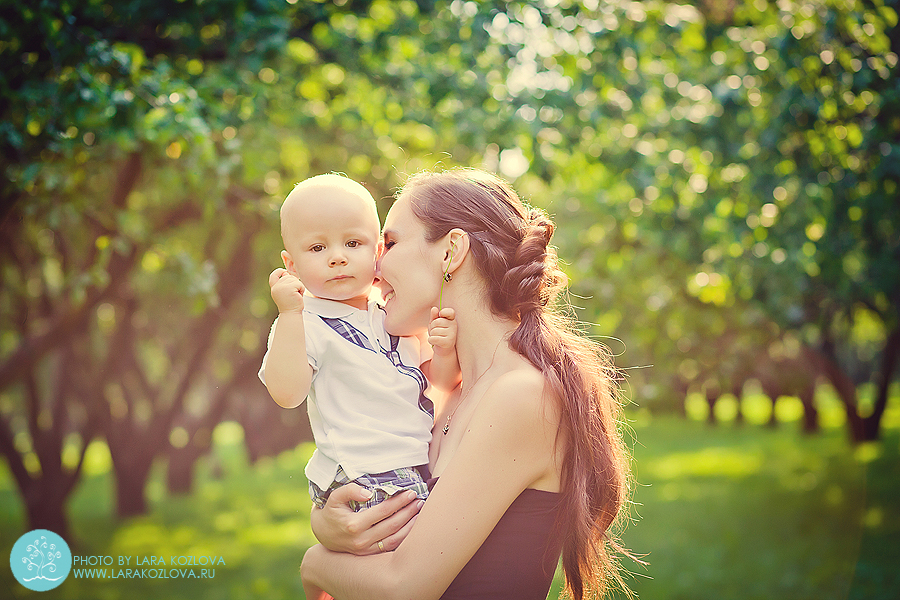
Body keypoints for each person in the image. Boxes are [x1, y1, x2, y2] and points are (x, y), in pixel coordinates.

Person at [300, 168, 633, 600]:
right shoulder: (449, 395)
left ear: (451, 251)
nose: (374, 267)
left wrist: (315, 561)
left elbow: (404, 587)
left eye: (392, 242)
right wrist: (329, 522)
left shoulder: (522, 396)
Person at [259, 173, 460, 512]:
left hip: (411, 466)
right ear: (291, 265)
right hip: (362, 474)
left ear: (378, 251)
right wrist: (290, 314)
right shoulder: (306, 322)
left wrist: (443, 351)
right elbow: (287, 393)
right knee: (425, 548)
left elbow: (439, 382)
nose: (337, 257)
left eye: (353, 243)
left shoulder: (393, 316)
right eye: (317, 247)